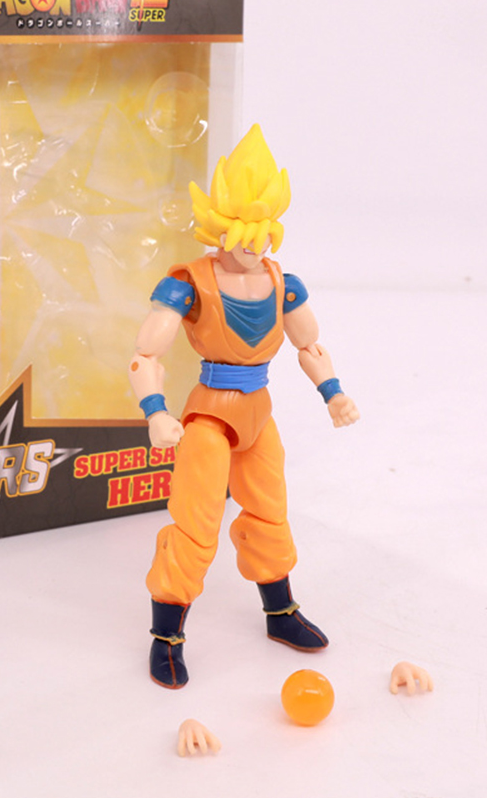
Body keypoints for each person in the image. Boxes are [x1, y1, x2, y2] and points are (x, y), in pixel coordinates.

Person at [128, 124, 359, 688]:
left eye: (263, 234)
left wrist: (333, 393)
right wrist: (156, 411)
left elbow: (309, 346)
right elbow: (145, 353)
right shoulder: (188, 283)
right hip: (209, 415)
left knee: (270, 512)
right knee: (196, 523)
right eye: (243, 234)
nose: (255, 247)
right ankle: (166, 636)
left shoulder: (283, 283)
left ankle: (280, 611)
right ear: (221, 228)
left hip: (258, 412)